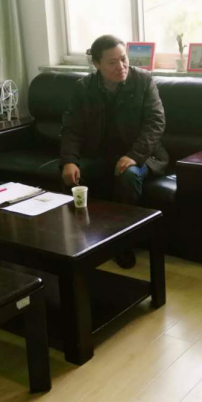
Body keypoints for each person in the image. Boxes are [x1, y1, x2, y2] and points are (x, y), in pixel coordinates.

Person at [60, 34, 169, 268]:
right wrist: (69, 160)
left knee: (128, 175)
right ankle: (83, 241)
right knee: (72, 176)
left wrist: (134, 156)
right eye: (112, 62)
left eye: (124, 59)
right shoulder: (84, 88)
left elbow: (156, 123)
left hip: (143, 155)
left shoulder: (143, 81)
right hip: (100, 155)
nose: (121, 66)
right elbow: (71, 128)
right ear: (96, 64)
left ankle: (123, 244)